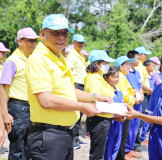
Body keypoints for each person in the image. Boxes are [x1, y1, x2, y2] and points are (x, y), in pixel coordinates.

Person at [25, 14, 111, 160]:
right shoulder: (39, 59)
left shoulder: (58, 57)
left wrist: (94, 98)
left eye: (64, 34)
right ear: (42, 33)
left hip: (63, 134)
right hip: (48, 136)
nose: (61, 38)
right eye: (55, 33)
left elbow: (69, 92)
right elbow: (46, 100)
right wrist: (81, 107)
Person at [0, 27, 40, 160]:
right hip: (17, 108)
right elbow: (3, 87)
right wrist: (5, 114)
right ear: (20, 41)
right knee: (18, 150)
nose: (33, 43)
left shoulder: (29, 59)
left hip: (29, 108)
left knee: (28, 149)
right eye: (30, 40)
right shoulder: (13, 61)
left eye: (35, 41)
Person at [84, 50, 116, 160]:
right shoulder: (93, 79)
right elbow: (95, 103)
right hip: (98, 120)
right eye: (105, 63)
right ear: (97, 64)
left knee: (100, 152)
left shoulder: (99, 78)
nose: (107, 66)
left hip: (104, 119)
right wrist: (116, 110)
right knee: (97, 155)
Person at [65, 34, 88, 149]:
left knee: (80, 114)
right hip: (75, 85)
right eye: (79, 42)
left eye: (82, 42)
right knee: (75, 114)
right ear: (73, 42)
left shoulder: (79, 55)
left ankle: (76, 138)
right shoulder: (71, 55)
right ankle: (72, 140)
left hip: (82, 85)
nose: (81, 44)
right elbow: (68, 71)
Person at [115, 55, 136, 160]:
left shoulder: (124, 78)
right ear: (120, 66)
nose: (129, 66)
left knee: (124, 137)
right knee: (121, 138)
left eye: (129, 64)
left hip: (127, 110)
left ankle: (121, 156)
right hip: (122, 111)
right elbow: (122, 96)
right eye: (127, 64)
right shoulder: (119, 79)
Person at [103, 66, 125, 160]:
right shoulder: (105, 91)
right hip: (110, 123)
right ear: (106, 77)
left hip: (119, 123)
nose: (116, 79)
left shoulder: (119, 92)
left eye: (117, 77)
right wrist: (116, 118)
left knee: (116, 144)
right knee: (108, 145)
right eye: (113, 77)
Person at [125, 50, 144, 159]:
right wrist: (134, 96)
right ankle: (126, 150)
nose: (139, 60)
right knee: (129, 127)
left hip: (139, 103)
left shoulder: (137, 72)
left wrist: (141, 94)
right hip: (131, 103)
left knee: (136, 127)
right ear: (131, 59)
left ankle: (131, 148)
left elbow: (140, 86)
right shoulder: (126, 73)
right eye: (137, 58)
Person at [134, 46, 152, 152]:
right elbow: (140, 84)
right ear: (140, 55)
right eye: (145, 54)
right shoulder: (139, 67)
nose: (146, 56)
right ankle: (137, 143)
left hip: (144, 94)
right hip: (142, 95)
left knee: (141, 119)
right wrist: (151, 90)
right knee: (140, 120)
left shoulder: (140, 66)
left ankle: (138, 142)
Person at [140, 60, 155, 144]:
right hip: (146, 95)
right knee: (145, 117)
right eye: (152, 66)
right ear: (147, 67)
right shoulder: (144, 75)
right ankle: (141, 137)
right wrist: (150, 90)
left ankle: (144, 136)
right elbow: (142, 85)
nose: (154, 67)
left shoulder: (150, 75)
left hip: (150, 96)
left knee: (149, 116)